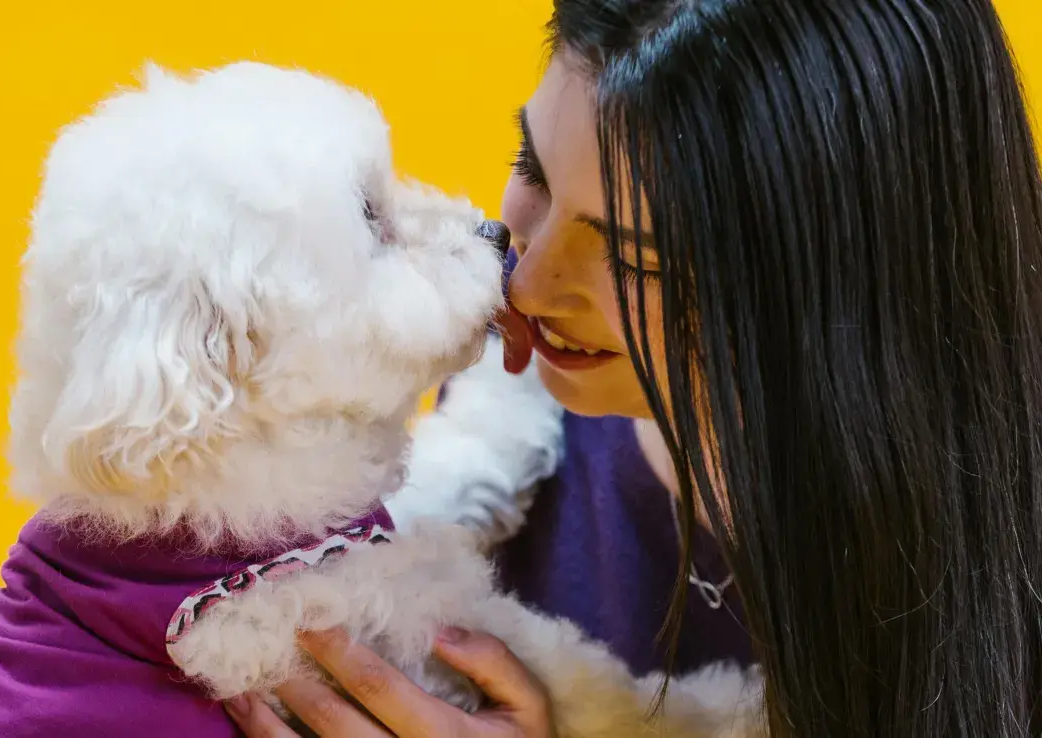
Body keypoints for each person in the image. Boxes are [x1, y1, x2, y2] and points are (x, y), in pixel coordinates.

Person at [229, 0, 1042, 735]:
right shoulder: (506, 418)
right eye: (534, 170)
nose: (529, 278)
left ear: (847, 286)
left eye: (638, 260)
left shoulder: (999, 571)